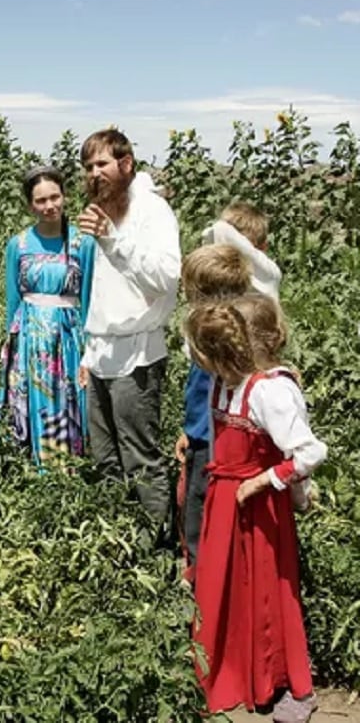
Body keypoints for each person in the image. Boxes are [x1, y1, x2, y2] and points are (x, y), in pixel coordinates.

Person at [185, 293, 324, 723]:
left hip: (257, 508)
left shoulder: (269, 392)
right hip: (224, 501)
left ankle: (280, 680)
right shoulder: (227, 382)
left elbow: (309, 453)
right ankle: (225, 668)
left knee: (265, 592)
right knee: (221, 585)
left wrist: (265, 481)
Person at [76, 129, 181, 534]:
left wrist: (114, 241)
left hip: (137, 355)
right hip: (101, 354)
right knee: (104, 458)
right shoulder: (107, 212)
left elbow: (166, 278)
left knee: (140, 456)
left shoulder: (151, 211)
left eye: (102, 164)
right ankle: (117, 542)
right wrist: (88, 354)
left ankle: (155, 547)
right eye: (88, 167)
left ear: (126, 163)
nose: (94, 173)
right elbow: (104, 295)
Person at [176, 203, 283, 580]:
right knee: (191, 504)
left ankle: (206, 583)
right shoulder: (211, 327)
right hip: (201, 434)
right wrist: (187, 432)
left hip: (222, 443)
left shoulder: (242, 327)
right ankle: (200, 575)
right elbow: (197, 392)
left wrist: (232, 244)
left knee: (204, 513)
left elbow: (222, 233)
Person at [0, 164, 96, 467]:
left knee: (68, 400)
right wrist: (10, 345)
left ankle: (68, 472)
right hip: (29, 336)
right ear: (30, 205)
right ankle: (31, 468)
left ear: (65, 197)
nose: (49, 206)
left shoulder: (83, 243)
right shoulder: (20, 244)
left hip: (68, 336)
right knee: (29, 400)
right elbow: (13, 299)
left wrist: (90, 350)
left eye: (55, 197)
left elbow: (90, 298)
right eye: (41, 200)